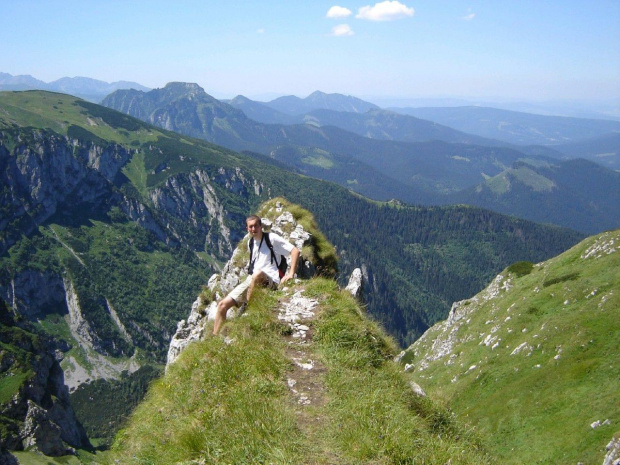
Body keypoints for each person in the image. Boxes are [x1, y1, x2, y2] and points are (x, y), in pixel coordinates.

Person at [212, 214, 300, 335]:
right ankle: (214, 338)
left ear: (261, 226)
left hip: (271, 280)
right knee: (222, 305)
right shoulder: (251, 243)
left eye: (256, 226)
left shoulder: (272, 239)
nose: (253, 229)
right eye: (250, 227)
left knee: (257, 274)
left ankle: (248, 307)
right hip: (251, 280)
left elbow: (295, 250)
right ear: (247, 228)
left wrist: (291, 273)